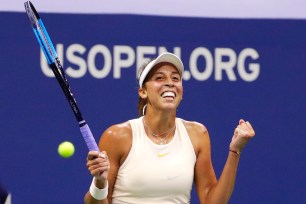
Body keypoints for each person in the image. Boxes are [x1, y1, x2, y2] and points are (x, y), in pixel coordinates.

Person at [84, 52, 255, 204]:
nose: (170, 83)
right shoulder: (117, 136)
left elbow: (211, 200)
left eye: (175, 78)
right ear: (143, 92)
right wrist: (99, 184)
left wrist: (235, 151)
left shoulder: (197, 134)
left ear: (181, 91)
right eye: (159, 78)